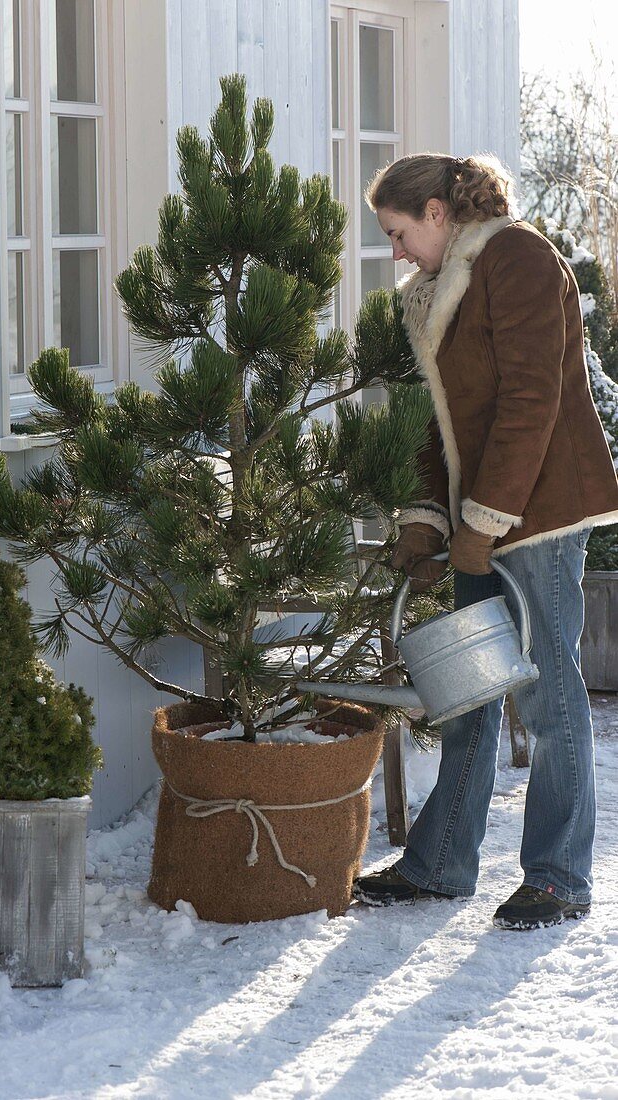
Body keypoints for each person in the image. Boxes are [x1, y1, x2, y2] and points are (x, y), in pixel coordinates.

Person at [352, 153, 618, 930]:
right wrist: (425, 520)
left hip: (536, 516)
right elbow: (443, 421)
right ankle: (440, 866)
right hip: (482, 523)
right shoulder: (436, 291)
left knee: (547, 692)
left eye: (399, 234)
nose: (396, 253)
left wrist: (483, 521)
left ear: (438, 212)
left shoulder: (521, 260)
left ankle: (560, 877)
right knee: (468, 689)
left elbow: (531, 402)